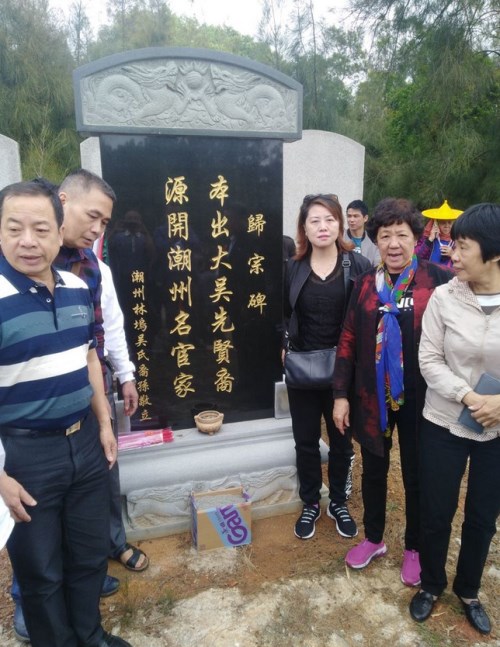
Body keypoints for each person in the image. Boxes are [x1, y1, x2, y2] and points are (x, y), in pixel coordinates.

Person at [10, 170, 147, 643]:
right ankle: (40, 617)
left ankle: (89, 622)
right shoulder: (12, 282)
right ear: (63, 203)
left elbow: (98, 341)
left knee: (87, 536)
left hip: (85, 417)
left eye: (105, 222)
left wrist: (114, 398)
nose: (97, 229)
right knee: (39, 554)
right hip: (26, 440)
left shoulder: (82, 277)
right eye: (93, 217)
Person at [332, 197, 453, 586]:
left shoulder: (439, 281)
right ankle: (374, 538)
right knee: (374, 470)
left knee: (417, 472)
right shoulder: (366, 284)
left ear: (416, 237)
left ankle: (414, 547)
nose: (394, 244)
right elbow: (348, 338)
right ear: (376, 240)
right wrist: (340, 394)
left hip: (423, 397)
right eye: (385, 236)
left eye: (402, 234)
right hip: (373, 396)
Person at [409, 203, 500, 635]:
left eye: (463, 247)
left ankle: (468, 590)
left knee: (482, 515)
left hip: (497, 430)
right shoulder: (445, 297)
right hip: (443, 421)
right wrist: (467, 395)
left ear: (494, 253)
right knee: (436, 509)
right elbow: (429, 359)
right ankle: (431, 584)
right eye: (453, 245)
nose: (453, 254)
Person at [284, 194, 371, 540]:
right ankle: (310, 502)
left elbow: (367, 318)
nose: (323, 226)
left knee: (341, 441)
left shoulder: (358, 266)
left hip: (343, 373)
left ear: (340, 224)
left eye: (330, 219)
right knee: (305, 441)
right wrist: (282, 345)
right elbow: (280, 314)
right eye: (315, 220)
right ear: (304, 228)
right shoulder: (292, 267)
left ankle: (338, 501)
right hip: (302, 370)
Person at [344, 199, 381, 266]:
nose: (351, 220)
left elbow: (377, 267)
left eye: (356, 216)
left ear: (365, 218)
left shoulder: (373, 242)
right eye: (349, 216)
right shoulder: (340, 238)